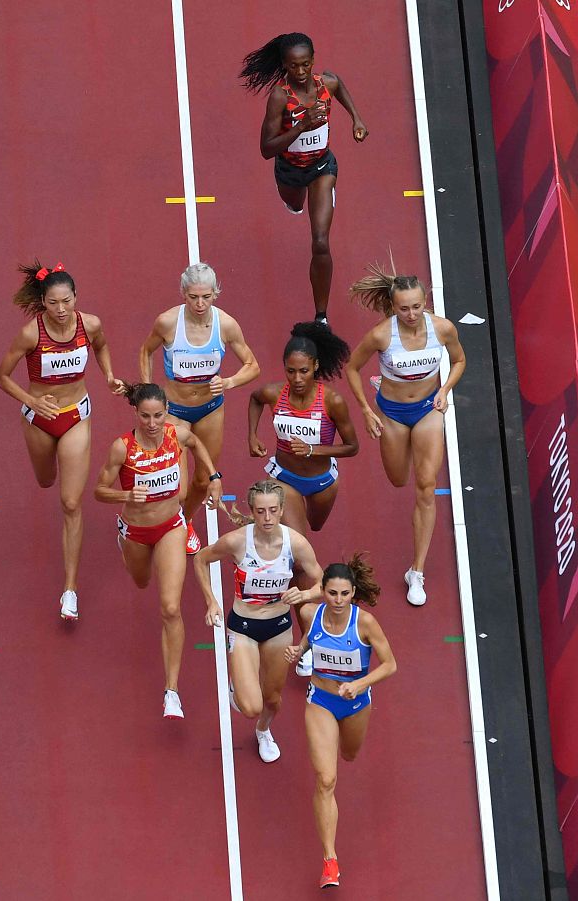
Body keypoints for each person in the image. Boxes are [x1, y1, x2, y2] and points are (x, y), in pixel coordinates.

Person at [0, 261, 126, 621]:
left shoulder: (90, 324)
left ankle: (70, 590)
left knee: (70, 503)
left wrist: (110, 374)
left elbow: (101, 346)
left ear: (75, 298)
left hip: (74, 417)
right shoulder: (30, 335)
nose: (61, 309)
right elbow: (1, 376)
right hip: (39, 419)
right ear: (43, 302)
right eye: (53, 303)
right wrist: (31, 399)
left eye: (66, 301)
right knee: (45, 480)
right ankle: (47, 463)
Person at [94, 383, 223, 718]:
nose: (152, 422)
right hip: (136, 531)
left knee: (169, 607)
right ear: (135, 413)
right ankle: (121, 537)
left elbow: (197, 443)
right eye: (145, 416)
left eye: (158, 415)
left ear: (166, 411)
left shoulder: (176, 435)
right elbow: (99, 490)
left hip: (170, 528)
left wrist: (214, 476)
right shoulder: (122, 448)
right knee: (140, 581)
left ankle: (172, 691)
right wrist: (125, 497)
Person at [343, 264, 467, 606]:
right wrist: (367, 411)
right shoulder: (382, 335)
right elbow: (352, 368)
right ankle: (385, 385)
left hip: (429, 409)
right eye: (403, 308)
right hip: (393, 415)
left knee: (425, 486)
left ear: (425, 302)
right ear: (393, 307)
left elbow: (458, 361)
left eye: (416, 306)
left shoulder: (442, 329)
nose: (411, 314)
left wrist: (446, 391)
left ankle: (417, 571)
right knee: (398, 478)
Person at [283, 555, 398, 890]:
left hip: (357, 703)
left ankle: (330, 856)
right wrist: (298, 652)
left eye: (343, 594)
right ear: (322, 591)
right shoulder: (309, 613)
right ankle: (330, 860)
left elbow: (390, 664)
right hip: (320, 700)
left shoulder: (365, 624)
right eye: (331, 593)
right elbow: (309, 642)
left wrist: (361, 684)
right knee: (326, 779)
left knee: (349, 755)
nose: (337, 600)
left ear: (352, 593)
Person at [192, 479, 323, 762]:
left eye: (273, 510)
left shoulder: (295, 543)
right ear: (252, 510)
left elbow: (323, 582)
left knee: (272, 700)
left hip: (279, 627)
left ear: (281, 510)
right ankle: (237, 685)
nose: (267, 517)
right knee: (249, 705)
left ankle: (263, 731)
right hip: (244, 626)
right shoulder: (238, 541)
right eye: (261, 511)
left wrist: (304, 594)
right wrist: (211, 600)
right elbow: (200, 559)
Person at [241, 32, 369, 321]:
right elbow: (266, 149)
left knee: (321, 241)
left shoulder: (328, 83)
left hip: (322, 167)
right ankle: (294, 203)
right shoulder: (280, 96)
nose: (300, 72)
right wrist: (302, 126)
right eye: (293, 66)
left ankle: (321, 315)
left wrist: (357, 119)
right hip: (290, 171)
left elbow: (340, 88)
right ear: (285, 65)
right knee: (295, 205)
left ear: (313, 61)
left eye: (306, 64)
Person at [139, 262, 260, 547]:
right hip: (175, 411)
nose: (200, 303)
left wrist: (229, 382)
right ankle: (169, 522)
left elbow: (252, 365)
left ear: (215, 294)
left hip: (210, 410)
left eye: (206, 296)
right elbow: (146, 351)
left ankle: (186, 521)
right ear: (183, 294)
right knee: (178, 488)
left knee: (203, 481)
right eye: (193, 297)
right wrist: (147, 389)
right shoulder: (168, 322)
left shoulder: (226, 325)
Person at [247, 321, 359, 534]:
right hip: (284, 476)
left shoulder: (332, 401)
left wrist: (312, 450)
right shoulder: (274, 393)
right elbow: (255, 399)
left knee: (315, 526)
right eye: (291, 371)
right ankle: (292, 517)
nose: (297, 379)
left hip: (322, 481)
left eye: (304, 371)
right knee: (298, 547)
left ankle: (299, 513)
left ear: (316, 366)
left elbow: (352, 447)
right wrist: (252, 435)